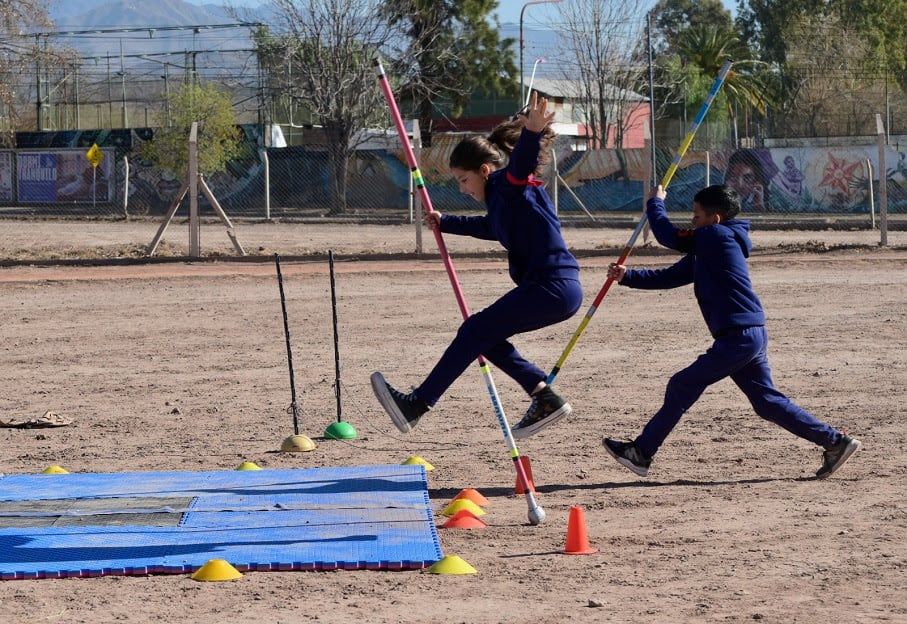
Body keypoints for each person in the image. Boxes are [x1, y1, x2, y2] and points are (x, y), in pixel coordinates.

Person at [602, 184, 861, 479]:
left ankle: (641, 452)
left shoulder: (715, 236)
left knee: (681, 385)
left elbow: (669, 236)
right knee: (767, 403)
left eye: (696, 215)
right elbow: (674, 275)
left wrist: (655, 203)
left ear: (714, 218)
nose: (692, 221)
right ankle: (835, 442)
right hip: (746, 334)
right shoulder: (711, 244)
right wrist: (628, 277)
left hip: (738, 337)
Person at [370, 92, 582, 439]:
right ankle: (544, 396)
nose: (463, 189)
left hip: (551, 287)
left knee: (473, 331)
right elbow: (489, 228)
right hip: (551, 289)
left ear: (485, 171)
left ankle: (417, 405)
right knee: (484, 336)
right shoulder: (501, 203)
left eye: (464, 180)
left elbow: (521, 166)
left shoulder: (509, 186)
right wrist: (445, 221)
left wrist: (531, 133)